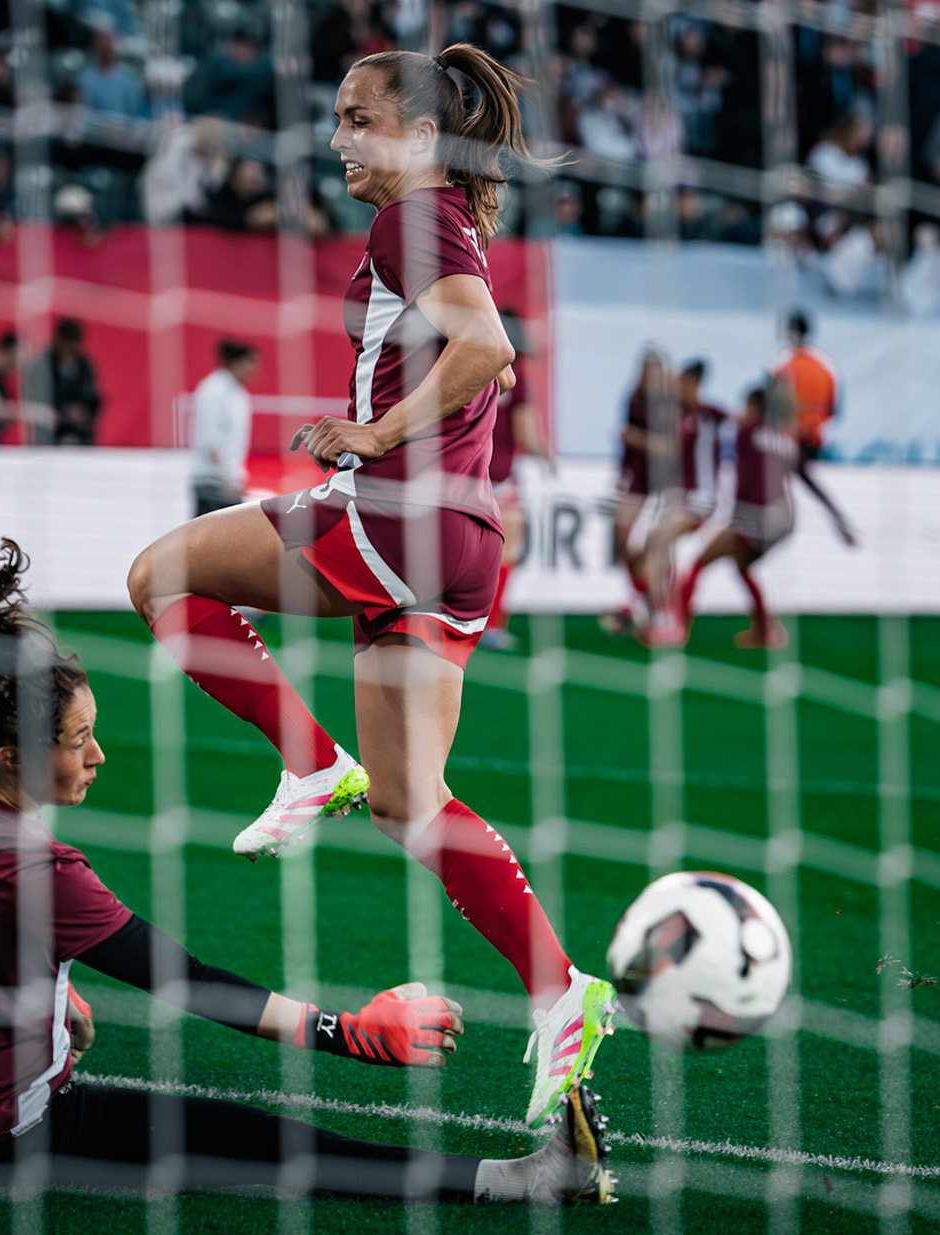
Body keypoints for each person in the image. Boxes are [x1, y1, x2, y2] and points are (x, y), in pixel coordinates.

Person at [0, 538, 614, 1206]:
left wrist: (53, 998)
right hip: (10, 1115)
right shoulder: (34, 869)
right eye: (77, 740)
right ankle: (521, 1180)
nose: (97, 757)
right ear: (13, 752)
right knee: (266, 1143)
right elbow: (191, 983)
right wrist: (349, 1033)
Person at [125, 45, 619, 1130]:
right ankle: (563, 989)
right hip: (461, 544)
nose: (339, 137)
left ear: (420, 134)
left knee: (159, 577)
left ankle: (310, 766)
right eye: (337, 118)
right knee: (412, 801)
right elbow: (484, 345)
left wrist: (376, 431)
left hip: (396, 514)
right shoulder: (455, 224)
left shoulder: (415, 217)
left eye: (359, 118)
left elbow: (486, 346)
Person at [668, 384, 799, 650]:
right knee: (743, 567)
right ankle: (765, 632)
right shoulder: (783, 439)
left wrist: (732, 519)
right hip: (783, 522)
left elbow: (747, 483)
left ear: (753, 407)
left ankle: (677, 627)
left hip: (753, 519)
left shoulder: (746, 433)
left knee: (697, 564)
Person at [637, 359, 728, 649]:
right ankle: (665, 617)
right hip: (680, 496)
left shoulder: (710, 415)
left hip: (701, 499)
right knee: (657, 548)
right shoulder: (680, 415)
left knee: (659, 541)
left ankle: (668, 621)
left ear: (694, 385)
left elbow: (742, 423)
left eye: (682, 384)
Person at [479, 310, 553, 650]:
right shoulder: (517, 378)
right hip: (502, 479)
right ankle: (492, 626)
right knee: (504, 553)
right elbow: (526, 432)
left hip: (463, 472)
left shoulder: (470, 365)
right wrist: (546, 457)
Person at [601, 348, 677, 638]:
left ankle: (656, 608)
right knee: (621, 541)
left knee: (655, 549)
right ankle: (640, 599)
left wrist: (637, 439)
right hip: (631, 478)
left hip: (660, 484)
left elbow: (671, 448)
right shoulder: (634, 398)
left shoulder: (669, 404)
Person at [768, 310, 858, 546]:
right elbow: (834, 411)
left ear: (789, 332)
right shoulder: (827, 367)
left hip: (785, 444)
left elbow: (768, 407)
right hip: (814, 443)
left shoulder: (781, 365)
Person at [189, 338, 258, 515]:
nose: (253, 371)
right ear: (235, 364)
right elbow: (210, 441)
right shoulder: (214, 390)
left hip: (229, 482)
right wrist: (226, 480)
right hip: (213, 483)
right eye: (248, 364)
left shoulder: (239, 394)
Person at [23, 317, 105, 447]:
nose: (71, 349)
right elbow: (36, 404)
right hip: (50, 437)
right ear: (59, 340)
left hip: (81, 436)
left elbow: (93, 398)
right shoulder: (43, 367)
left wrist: (83, 413)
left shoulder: (84, 366)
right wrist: (62, 414)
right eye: (68, 343)